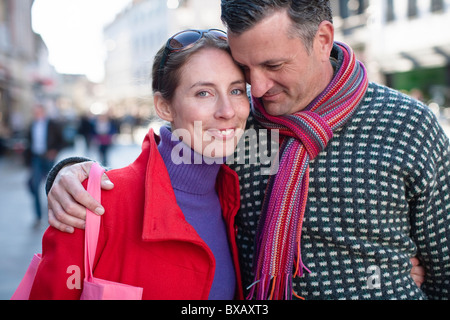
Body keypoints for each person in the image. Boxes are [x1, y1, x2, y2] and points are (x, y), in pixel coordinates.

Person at [44, 1, 447, 300]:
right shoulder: (244, 124)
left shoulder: (405, 126)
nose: (256, 89)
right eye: (245, 71)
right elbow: (174, 163)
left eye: (273, 65)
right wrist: (70, 173)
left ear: (322, 40)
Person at [28, 29, 249, 300]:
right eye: (204, 93)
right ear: (164, 107)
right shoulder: (89, 203)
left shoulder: (243, 195)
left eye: (237, 90)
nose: (227, 110)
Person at [25, 104, 64, 228]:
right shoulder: (32, 125)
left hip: (48, 158)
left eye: (39, 112)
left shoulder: (52, 124)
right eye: (35, 112)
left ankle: (54, 213)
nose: (37, 114)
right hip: (36, 158)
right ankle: (37, 216)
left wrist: (54, 151)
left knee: (52, 187)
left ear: (43, 112)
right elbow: (29, 143)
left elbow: (62, 140)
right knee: (35, 185)